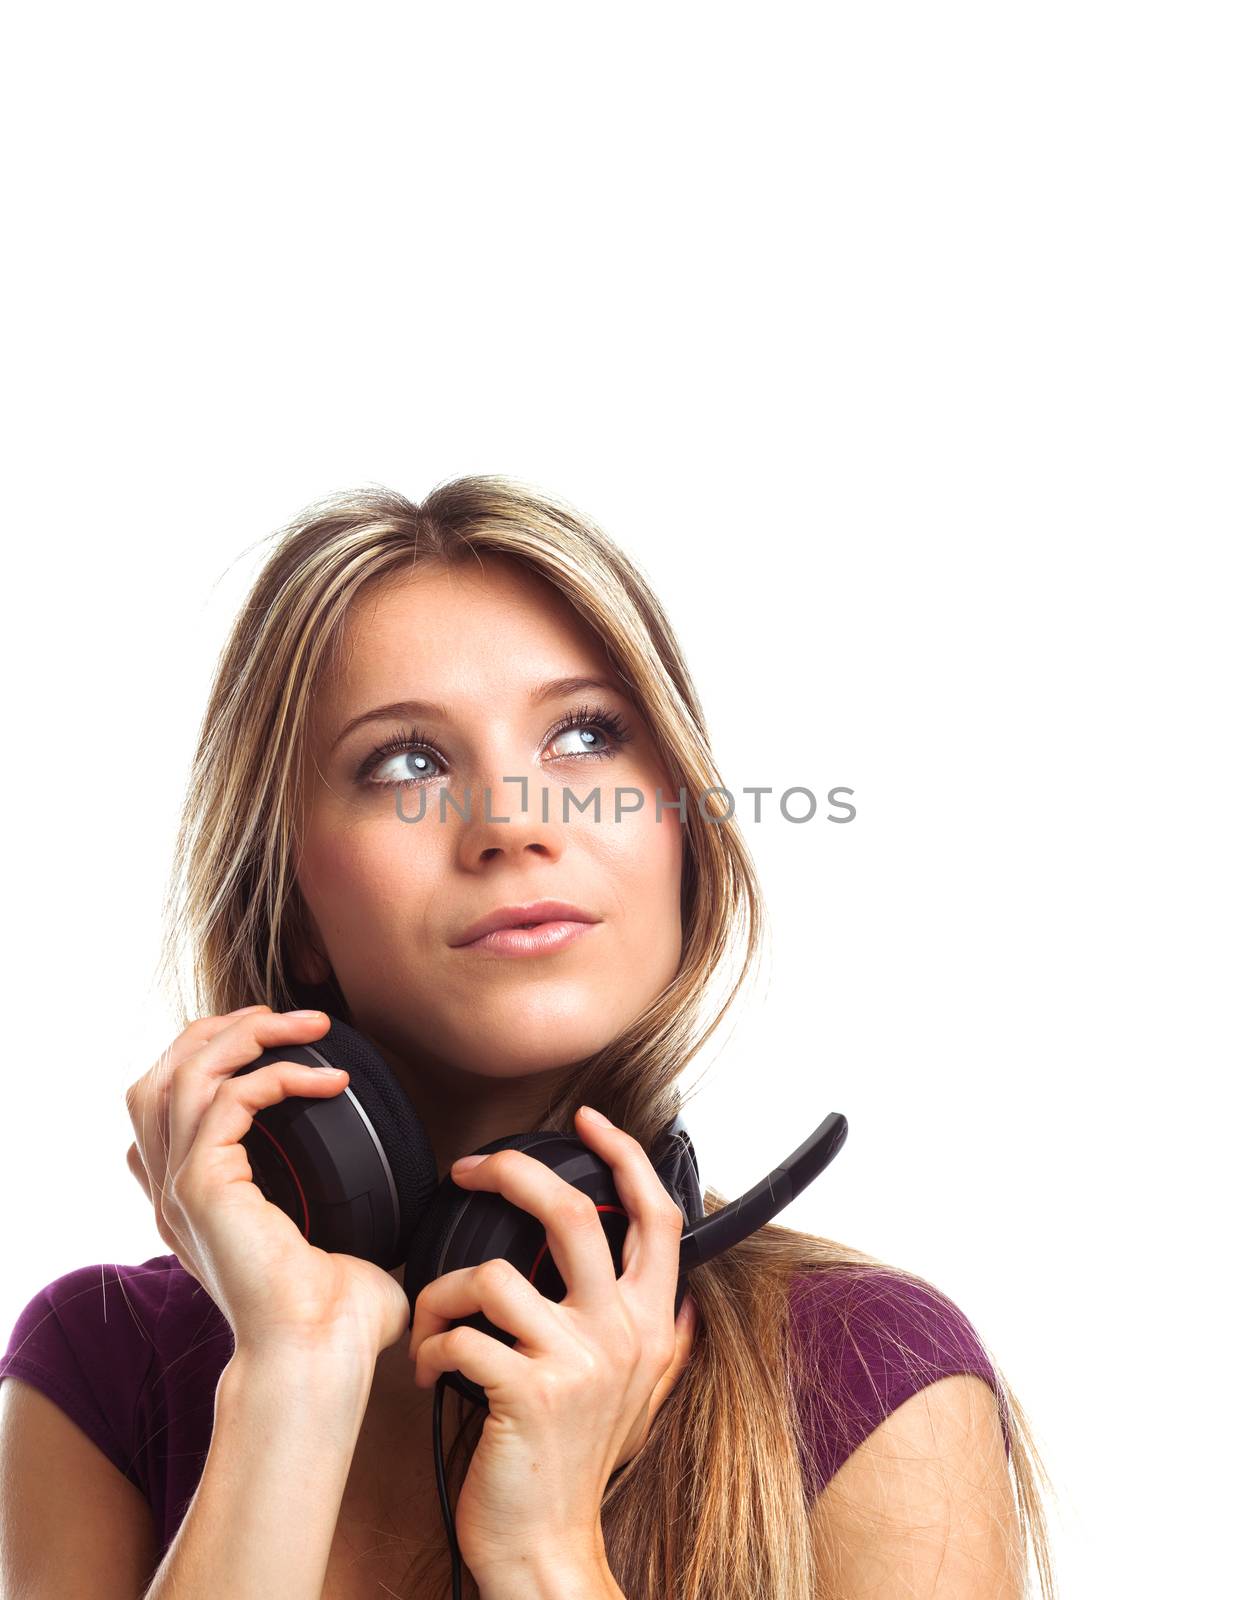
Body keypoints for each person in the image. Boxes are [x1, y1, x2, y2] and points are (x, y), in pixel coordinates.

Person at [0, 476, 1056, 1599]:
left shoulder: (867, 1376)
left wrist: (545, 1556)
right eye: (405, 762)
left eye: (585, 735)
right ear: (294, 908)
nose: (511, 821)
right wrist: (293, 1374)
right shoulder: (102, 1368)